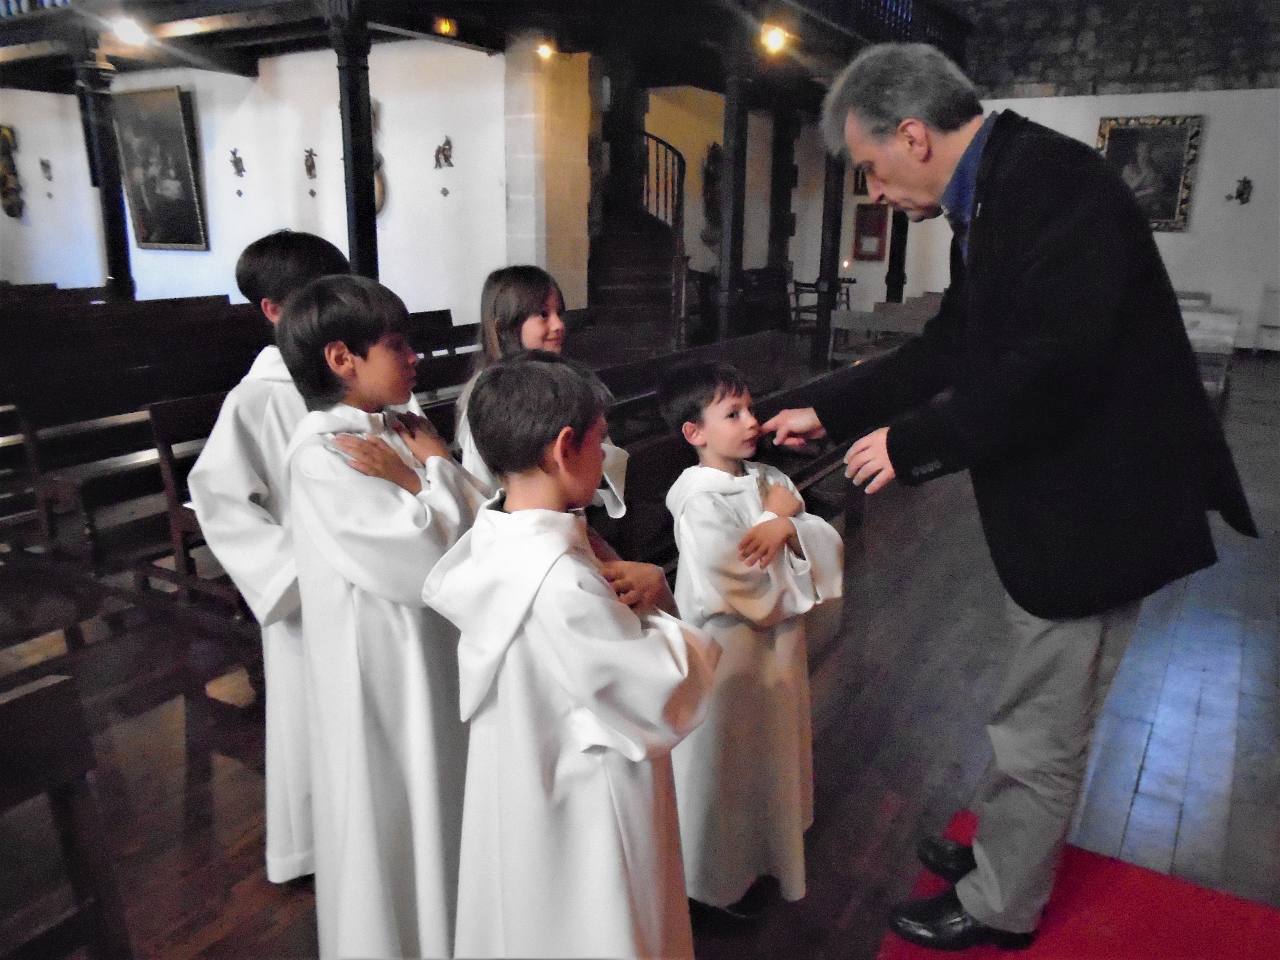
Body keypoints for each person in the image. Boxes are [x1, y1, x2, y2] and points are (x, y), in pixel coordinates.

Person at [762, 42, 1255, 952]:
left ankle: (1000, 902)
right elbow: (954, 343)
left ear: (913, 136)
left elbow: (1049, 369)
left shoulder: (1049, 188)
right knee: (1032, 699)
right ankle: (1004, 846)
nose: (874, 191)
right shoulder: (1004, 185)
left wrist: (908, 442)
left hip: (1099, 510)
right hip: (1075, 497)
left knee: (1044, 718)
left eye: (871, 167)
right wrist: (827, 409)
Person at [422, 352, 720, 959]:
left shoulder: (497, 541)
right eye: (601, 440)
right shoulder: (559, 579)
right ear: (564, 448)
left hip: (528, 784)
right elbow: (658, 691)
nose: (607, 455)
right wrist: (667, 606)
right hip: (588, 799)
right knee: (599, 921)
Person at [278, 274, 487, 959]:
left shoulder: (398, 427)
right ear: (342, 359)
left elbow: (477, 521)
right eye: (397, 345)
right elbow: (422, 555)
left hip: (425, 651)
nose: (414, 357)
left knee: (439, 796)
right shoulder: (324, 453)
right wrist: (436, 473)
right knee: (396, 805)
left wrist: (430, 471)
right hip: (380, 665)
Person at [187, 229, 350, 885]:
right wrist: (297, 569)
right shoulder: (255, 399)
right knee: (312, 719)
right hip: (307, 595)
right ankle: (313, 850)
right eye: (316, 298)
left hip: (374, 584)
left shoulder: (351, 376)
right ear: (274, 311)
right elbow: (221, 502)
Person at [657, 362, 843, 917]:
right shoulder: (698, 499)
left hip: (778, 648)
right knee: (726, 758)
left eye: (750, 409)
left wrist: (787, 525)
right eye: (732, 414)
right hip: (731, 651)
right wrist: (774, 521)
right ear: (695, 432)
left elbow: (812, 533)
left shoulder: (767, 477)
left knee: (769, 749)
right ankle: (711, 881)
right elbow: (738, 579)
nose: (751, 422)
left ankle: (766, 850)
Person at [456, 265, 627, 518]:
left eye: (559, 313)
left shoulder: (563, 381)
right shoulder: (487, 396)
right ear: (504, 328)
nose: (558, 325)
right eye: (543, 314)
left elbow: (599, 445)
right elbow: (480, 487)